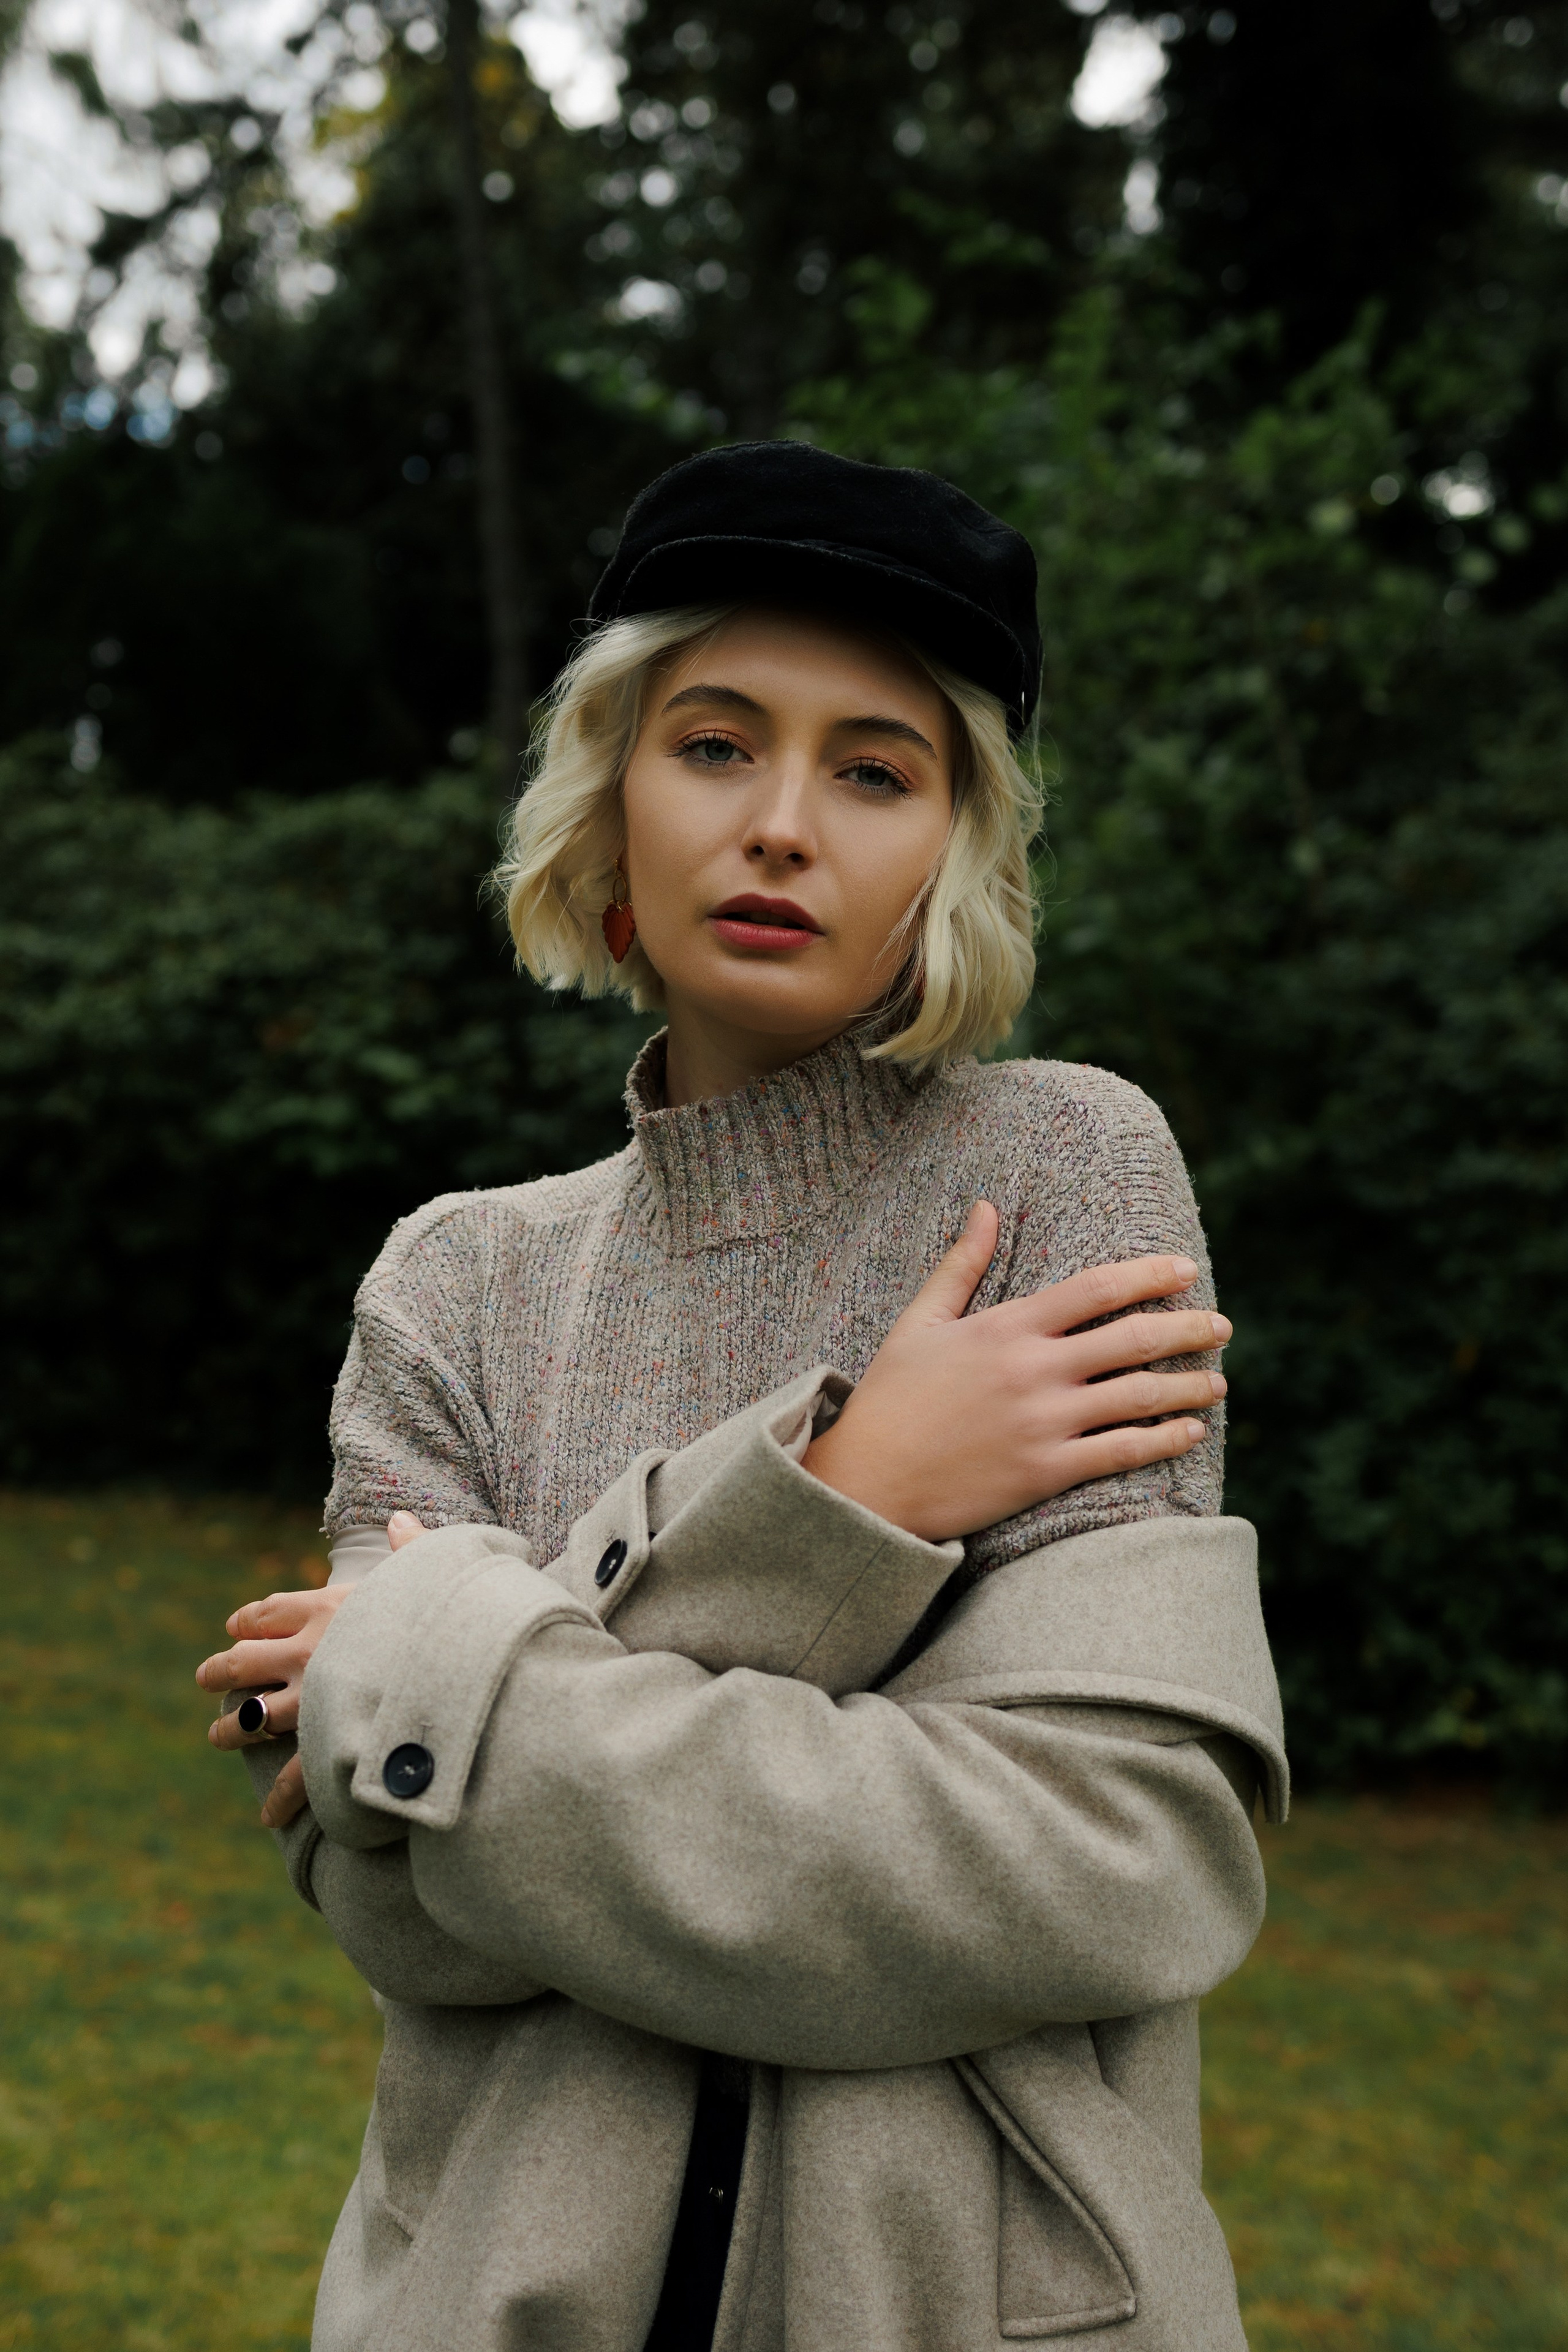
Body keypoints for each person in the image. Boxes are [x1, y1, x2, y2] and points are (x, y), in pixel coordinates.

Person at [197, 442, 1286, 2352]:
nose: (783, 823)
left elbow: (1112, 1861)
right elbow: (398, 1909)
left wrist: (454, 1679)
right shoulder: (456, 1280)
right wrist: (853, 1492)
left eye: (875, 769)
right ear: (612, 795)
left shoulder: (1066, 1175)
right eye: (714, 744)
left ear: (959, 845)